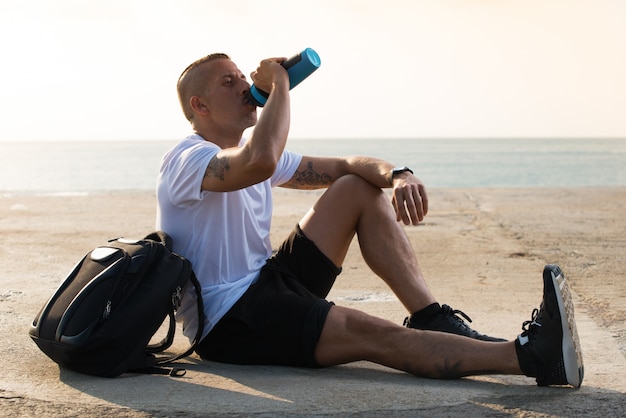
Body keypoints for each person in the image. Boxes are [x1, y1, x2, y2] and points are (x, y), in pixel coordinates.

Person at [156, 53, 584, 387]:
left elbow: (346, 164)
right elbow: (261, 160)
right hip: (230, 322)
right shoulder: (188, 159)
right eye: (229, 83)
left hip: (267, 282)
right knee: (374, 336)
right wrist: (282, 85)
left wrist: (398, 175)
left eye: (244, 78)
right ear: (200, 105)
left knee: (356, 187)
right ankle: (531, 356)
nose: (247, 87)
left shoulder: (249, 156)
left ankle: (430, 315)